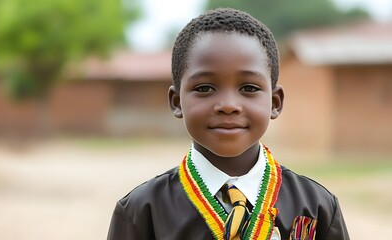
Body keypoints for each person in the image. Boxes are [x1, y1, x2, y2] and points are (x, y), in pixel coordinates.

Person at [107, 8, 349, 240]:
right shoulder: (142, 212)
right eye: (204, 88)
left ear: (274, 102)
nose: (228, 104)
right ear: (176, 101)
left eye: (249, 88)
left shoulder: (316, 207)